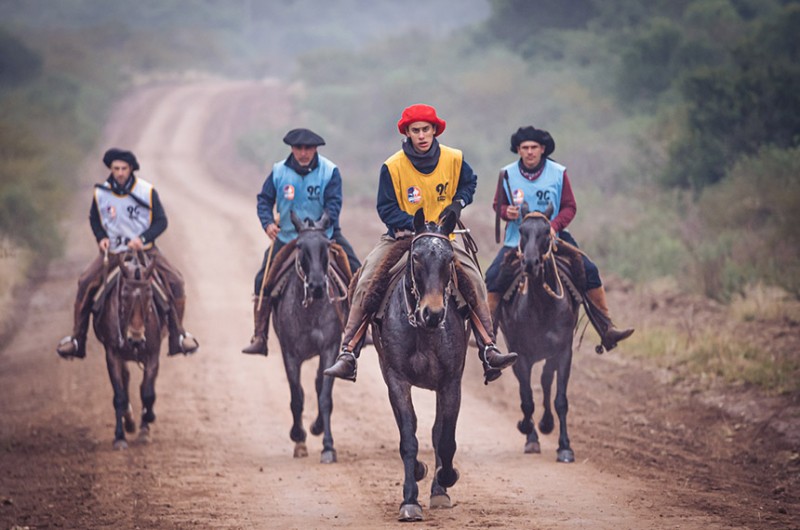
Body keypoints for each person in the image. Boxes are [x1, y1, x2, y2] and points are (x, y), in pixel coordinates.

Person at [324, 104, 517, 383]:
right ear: (408, 133)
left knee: (474, 280)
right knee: (366, 279)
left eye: (426, 129)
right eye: (416, 130)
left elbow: (469, 184)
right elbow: (385, 207)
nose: (422, 135)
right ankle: (349, 352)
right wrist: (412, 224)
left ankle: (488, 348)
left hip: (444, 238)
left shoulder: (454, 158)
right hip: (403, 237)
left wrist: (458, 204)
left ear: (435, 130)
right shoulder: (392, 166)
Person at [485, 126, 634, 351]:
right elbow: (498, 204)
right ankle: (488, 337)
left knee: (589, 270)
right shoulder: (506, 174)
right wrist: (507, 212)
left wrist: (554, 226)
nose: (530, 152)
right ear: (518, 150)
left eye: (534, 147)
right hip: (518, 240)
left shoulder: (557, 172)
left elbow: (569, 206)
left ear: (543, 149)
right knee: (493, 276)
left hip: (553, 238)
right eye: (524, 148)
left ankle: (606, 329)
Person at [56, 148, 199, 359]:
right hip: (114, 253)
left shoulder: (147, 191)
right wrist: (101, 237)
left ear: (131, 169)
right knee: (85, 281)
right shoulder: (101, 193)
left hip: (146, 252)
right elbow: (95, 219)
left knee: (176, 280)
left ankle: (178, 337)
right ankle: (78, 339)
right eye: (116, 169)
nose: (120, 173)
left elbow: (161, 221)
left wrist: (142, 239)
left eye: (124, 168)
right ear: (111, 169)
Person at [241, 128, 361, 355]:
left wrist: (322, 225)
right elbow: (264, 200)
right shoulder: (278, 172)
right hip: (289, 238)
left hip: (326, 237)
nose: (303, 153)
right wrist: (267, 223)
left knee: (356, 271)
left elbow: (334, 204)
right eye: (299, 148)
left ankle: (359, 331)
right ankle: (260, 335)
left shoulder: (330, 171)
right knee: (262, 279)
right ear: (292, 149)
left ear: (315, 149)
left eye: (308, 148)